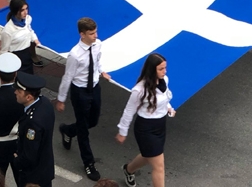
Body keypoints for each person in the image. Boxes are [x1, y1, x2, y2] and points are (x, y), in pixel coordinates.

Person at [56, 16, 107, 182]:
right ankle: (89, 163)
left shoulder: (98, 45)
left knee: (93, 121)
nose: (95, 36)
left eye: (96, 32)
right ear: (82, 34)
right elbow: (67, 76)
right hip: (80, 92)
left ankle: (68, 131)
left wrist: (102, 71)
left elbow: (97, 61)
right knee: (84, 128)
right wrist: (61, 99)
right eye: (92, 33)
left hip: (95, 87)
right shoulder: (75, 55)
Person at [117, 53, 175, 187]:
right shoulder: (139, 90)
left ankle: (128, 169)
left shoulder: (164, 80)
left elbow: (164, 99)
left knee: (149, 156)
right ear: (151, 69)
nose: (164, 71)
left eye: (165, 68)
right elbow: (129, 110)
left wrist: (169, 109)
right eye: (161, 69)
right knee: (159, 166)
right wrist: (122, 131)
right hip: (146, 128)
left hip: (160, 125)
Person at [12, 72, 54, 187]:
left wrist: (16, 161)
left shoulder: (33, 123)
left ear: (29, 97)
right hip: (44, 168)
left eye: (19, 91)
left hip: (33, 176)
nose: (15, 92)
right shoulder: (45, 103)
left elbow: (29, 155)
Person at [0, 0, 39, 74]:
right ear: (15, 11)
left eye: (26, 9)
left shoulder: (27, 19)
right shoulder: (8, 30)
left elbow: (29, 30)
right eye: (22, 10)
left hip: (27, 54)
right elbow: (4, 50)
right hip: (15, 57)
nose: (26, 12)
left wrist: (35, 40)